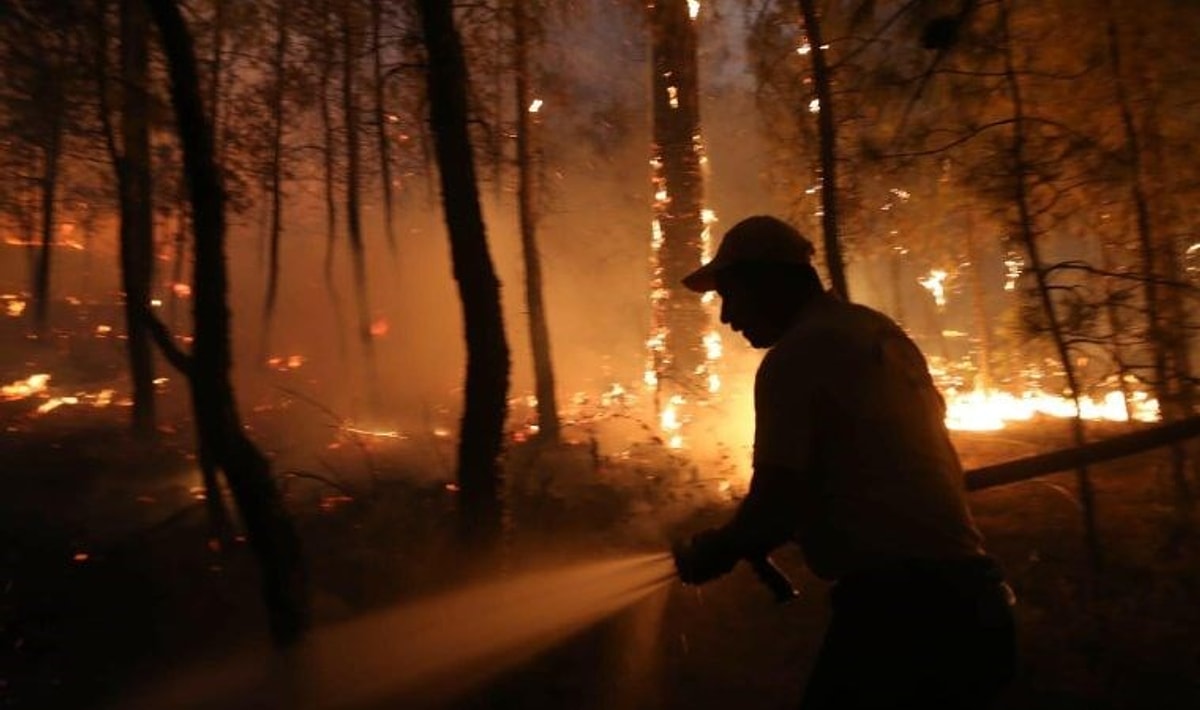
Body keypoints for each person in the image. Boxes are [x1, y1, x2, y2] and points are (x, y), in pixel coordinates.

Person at [672, 215, 1016, 709]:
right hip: (978, 607)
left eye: (730, 294)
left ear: (768, 281)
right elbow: (871, 473)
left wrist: (718, 548)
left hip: (903, 618)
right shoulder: (877, 333)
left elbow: (776, 502)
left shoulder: (795, 356)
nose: (727, 317)